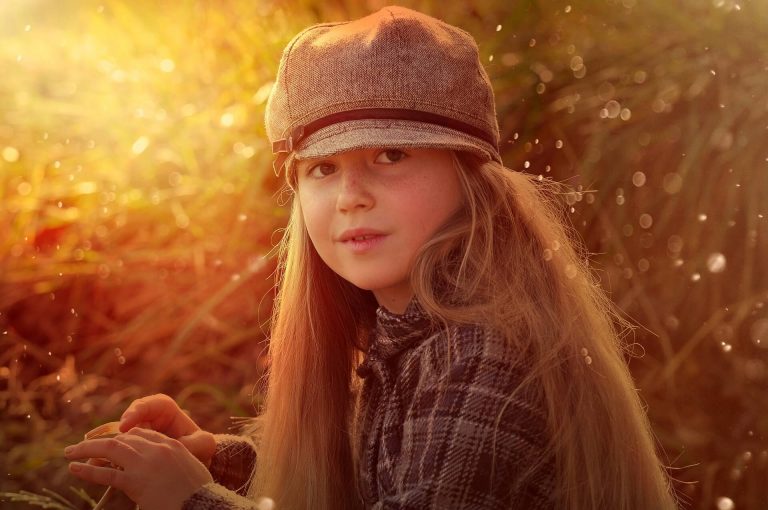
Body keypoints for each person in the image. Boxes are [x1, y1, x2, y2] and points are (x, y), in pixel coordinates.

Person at [64, 5, 680, 510]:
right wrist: (214, 459)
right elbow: (382, 477)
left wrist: (191, 501)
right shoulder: (410, 330)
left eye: (390, 156)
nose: (351, 197)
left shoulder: (479, 353)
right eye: (323, 168)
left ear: (470, 177)